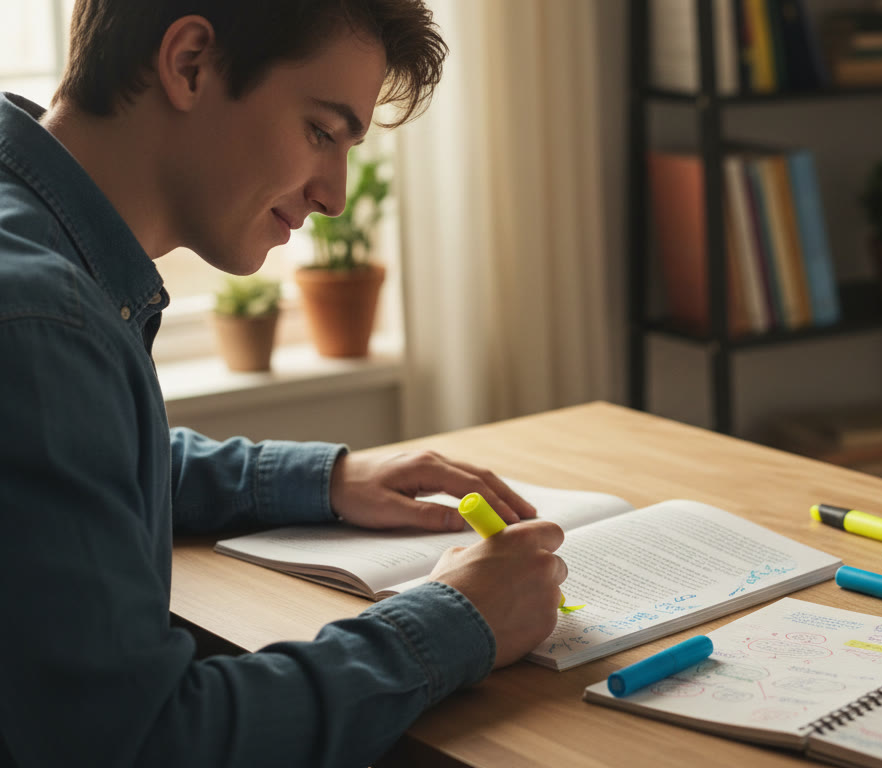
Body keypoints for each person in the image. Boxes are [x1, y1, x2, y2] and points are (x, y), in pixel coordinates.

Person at [0, 2, 568, 766]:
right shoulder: (41, 323)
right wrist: (458, 619)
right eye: (321, 132)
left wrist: (322, 479)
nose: (332, 193)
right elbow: (142, 744)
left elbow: (81, 462)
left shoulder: (30, 242)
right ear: (191, 63)